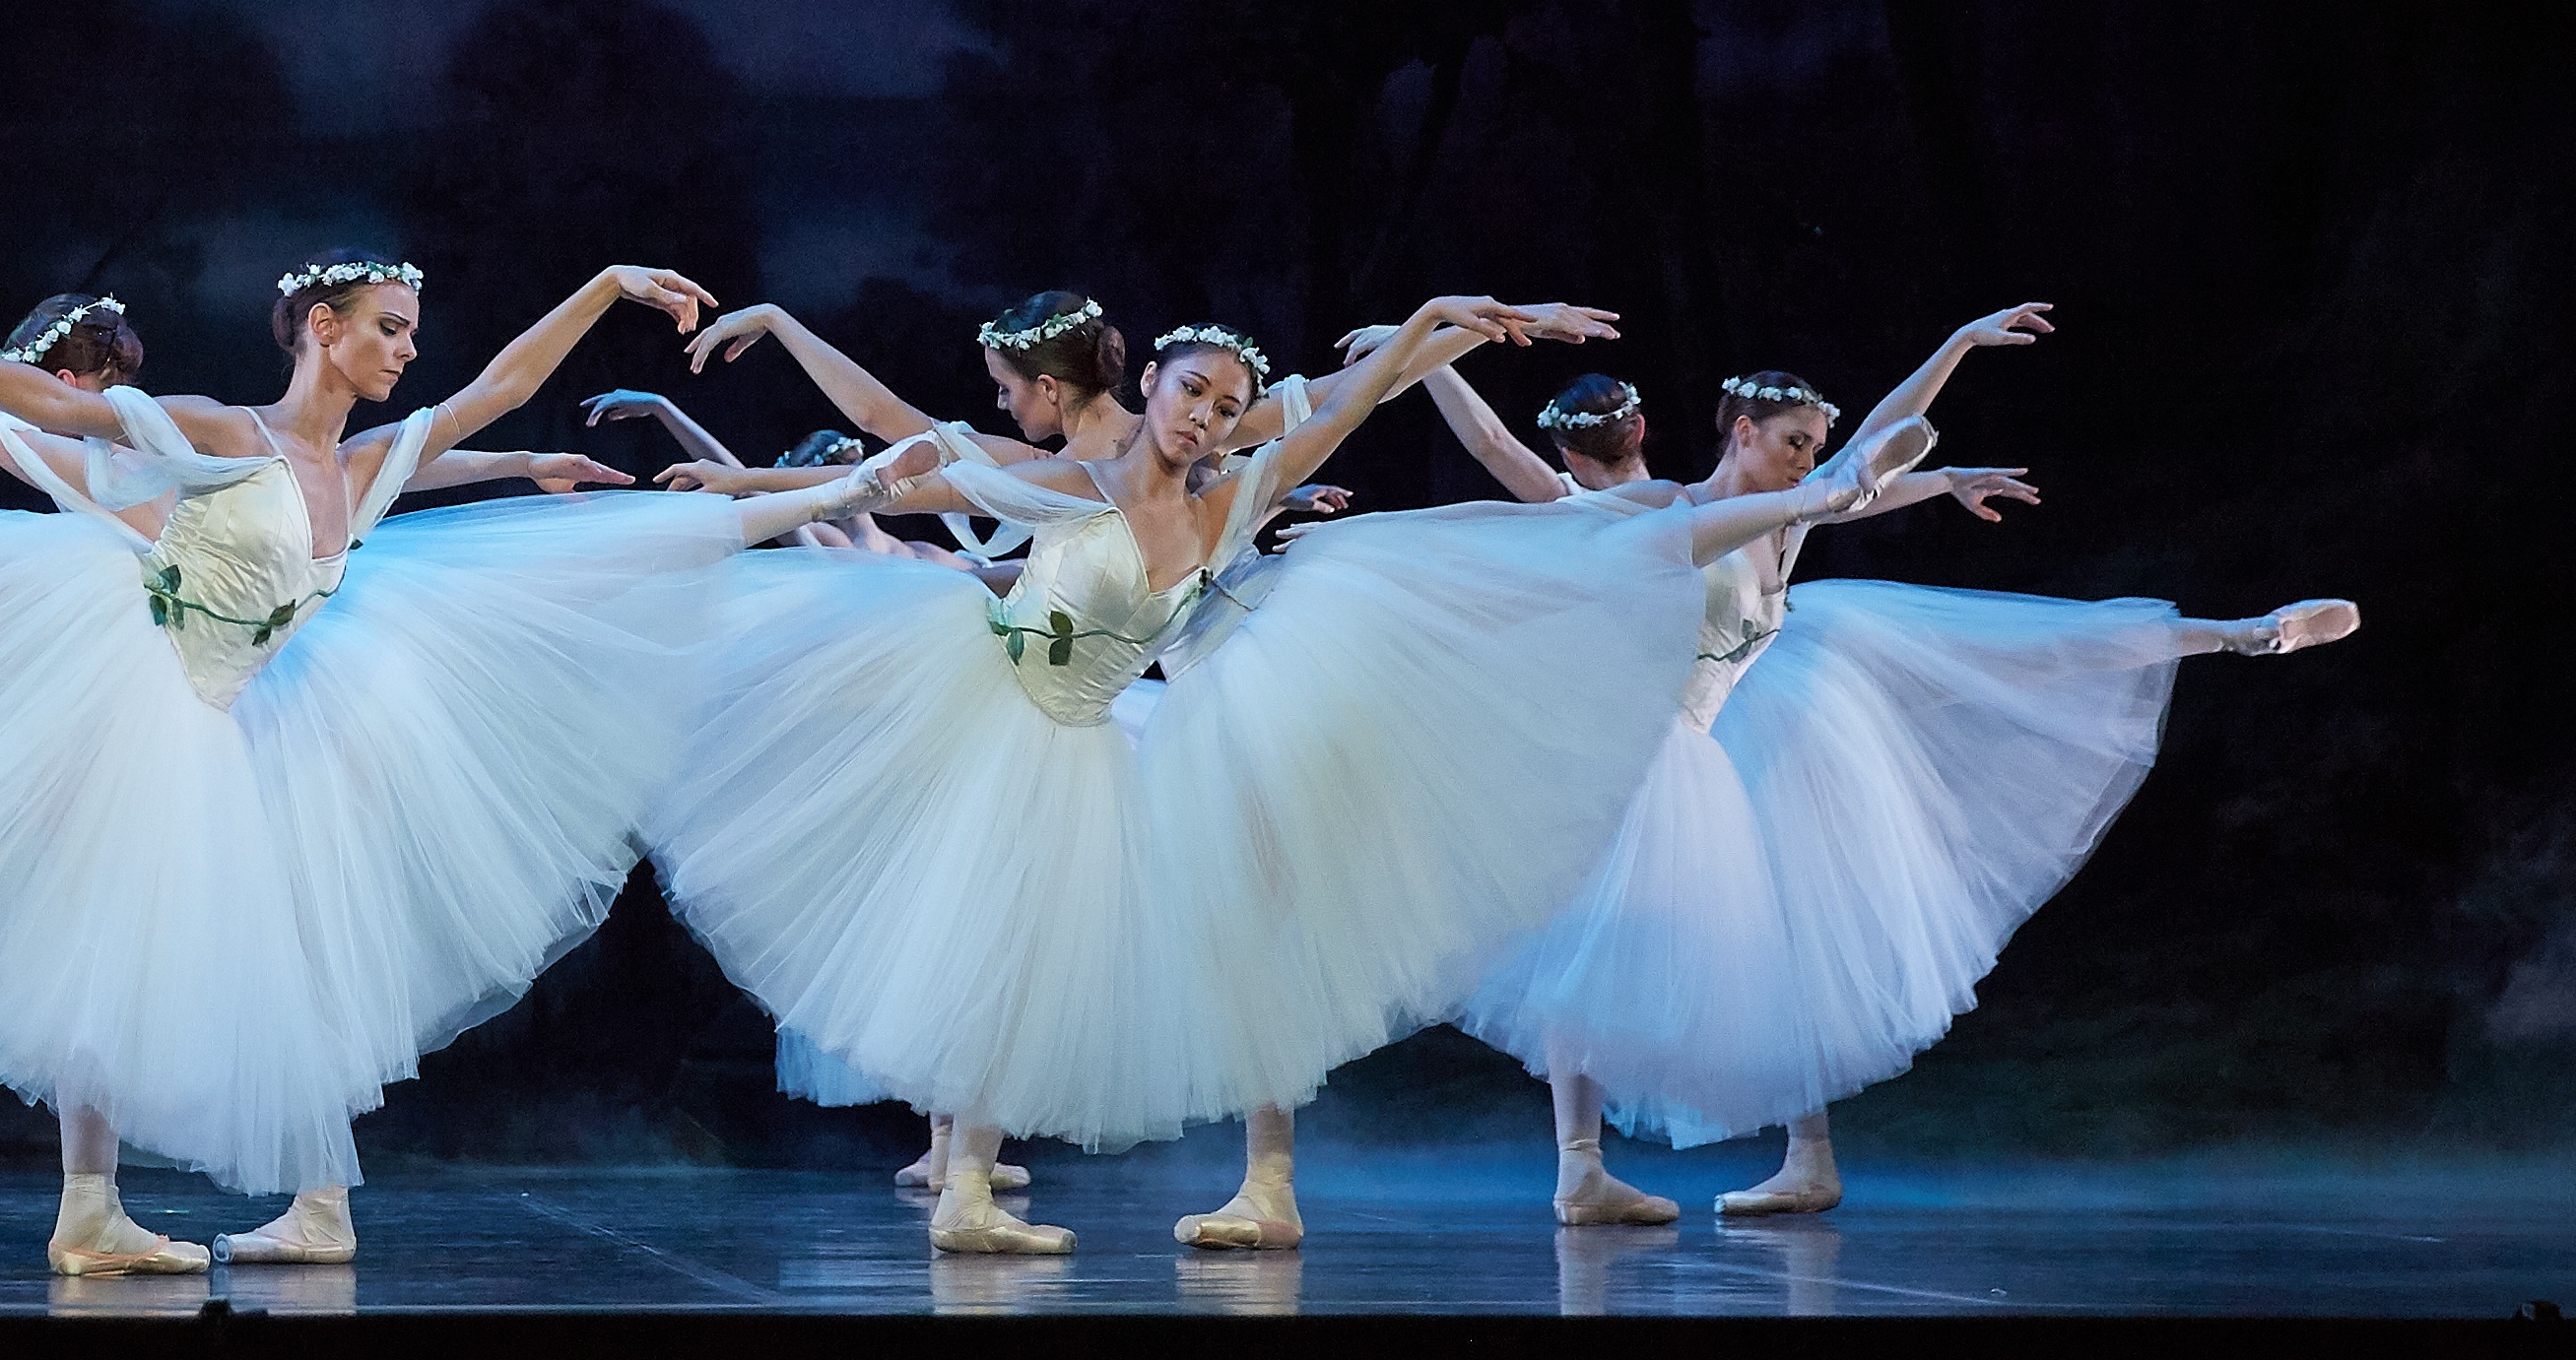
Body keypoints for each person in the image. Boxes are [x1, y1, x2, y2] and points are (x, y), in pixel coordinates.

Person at [0, 254, 939, 1274]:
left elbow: (493, 403)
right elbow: (37, 413)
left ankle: (311, 1204)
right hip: (147, 694)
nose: (411, 352)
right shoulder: (220, 431)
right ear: (321, 332)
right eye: (390, 328)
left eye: (414, 332)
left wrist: (602, 295)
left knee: (308, 939)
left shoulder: (367, 465)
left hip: (268, 711)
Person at [649, 292, 1941, 1254]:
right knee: (1009, 941)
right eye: (1192, 393)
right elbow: (895, 442)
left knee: (1180, 937)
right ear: (1148, 383)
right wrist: (773, 364)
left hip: (1111, 734)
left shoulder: (1226, 501)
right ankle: (972, 1184)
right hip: (999, 711)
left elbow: (1353, 398)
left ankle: (1217, 1183)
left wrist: (1441, 325)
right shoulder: (1066, 478)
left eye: (1226, 407)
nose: (1206, 417)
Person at [1413, 304, 2360, 1219]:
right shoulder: (1658, 508)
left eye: (1812, 446)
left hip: (1724, 735)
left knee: (2005, 655)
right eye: (1793, 442)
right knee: (1588, 953)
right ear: (1741, 432)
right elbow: (1510, 457)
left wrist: (1952, 371)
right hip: (1642, 753)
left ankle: (2244, 633)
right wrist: (1426, 351)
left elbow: (1860, 468)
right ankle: (1591, 1169)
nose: (1807, 458)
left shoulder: (1784, 517)